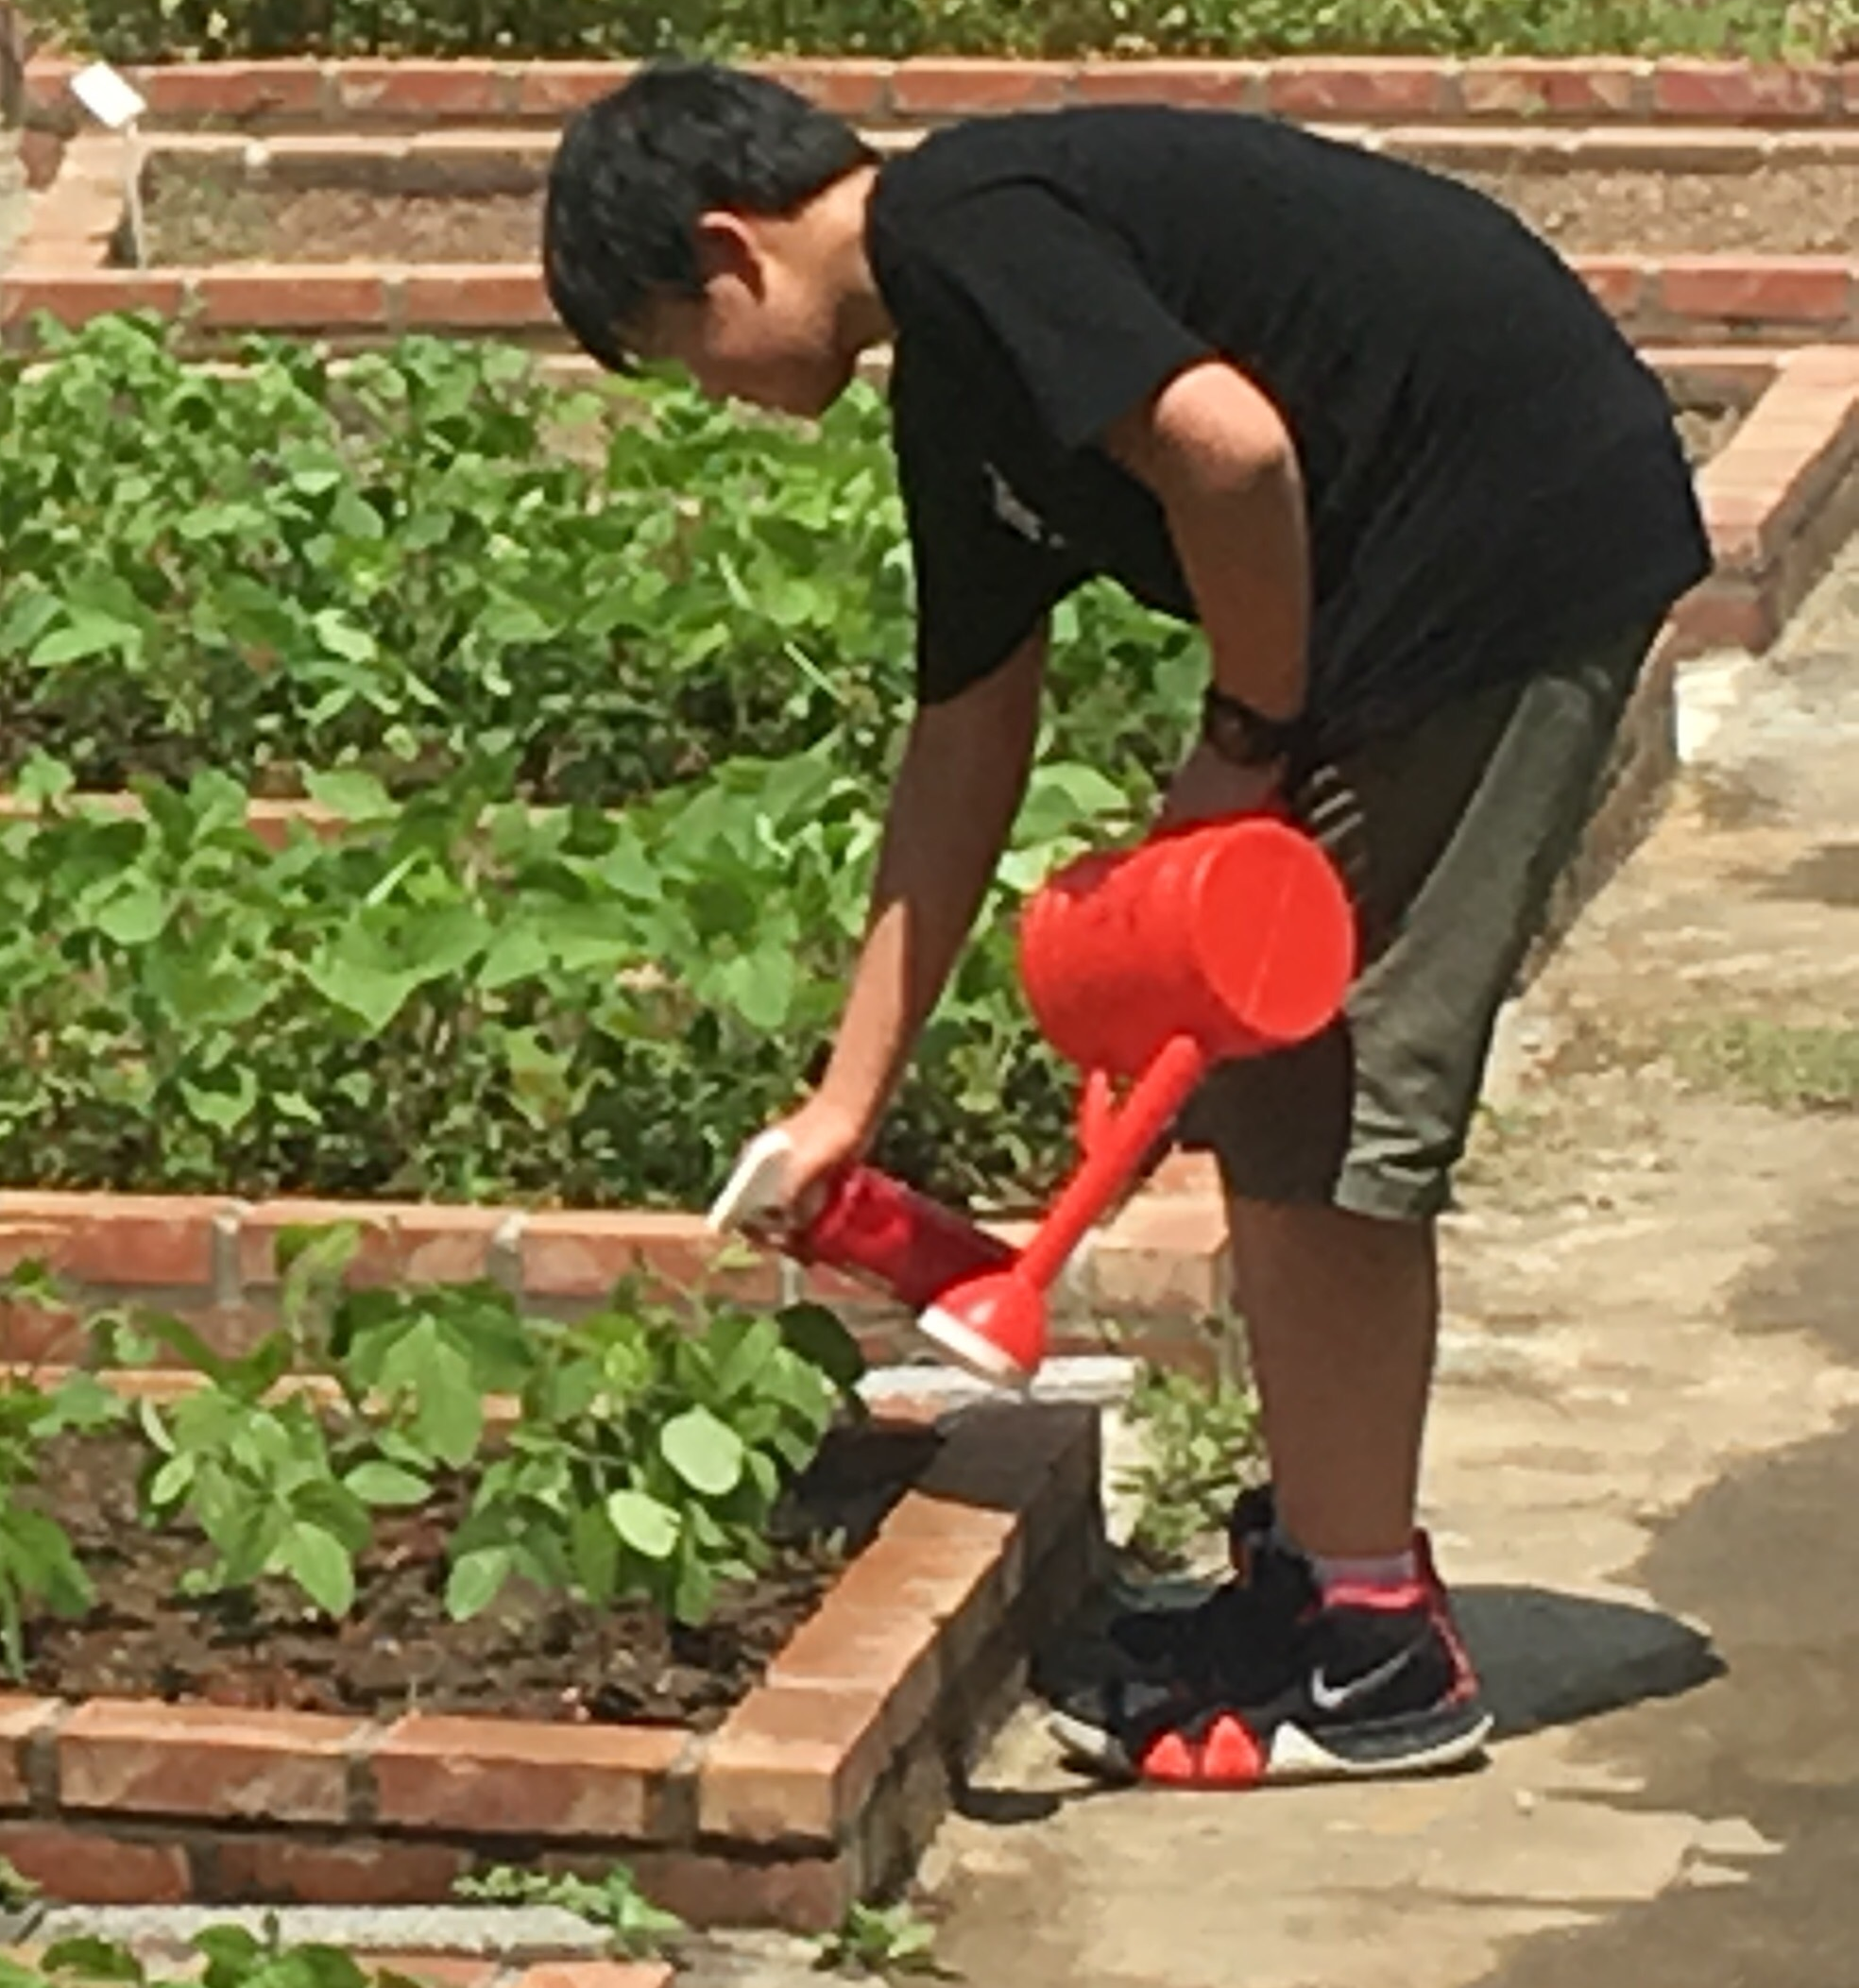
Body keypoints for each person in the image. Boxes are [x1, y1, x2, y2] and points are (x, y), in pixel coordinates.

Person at [541, 62, 1707, 1789]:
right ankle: (1322, 1569)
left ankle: (1378, 1653)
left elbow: (1229, 452)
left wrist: (1243, 743)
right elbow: (967, 737)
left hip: (1501, 551)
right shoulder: (956, 378)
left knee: (1336, 1085)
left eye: (677, 349)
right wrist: (845, 1105)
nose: (708, 391)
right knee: (1277, 1084)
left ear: (729, 253)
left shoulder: (962, 229)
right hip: (1440, 563)